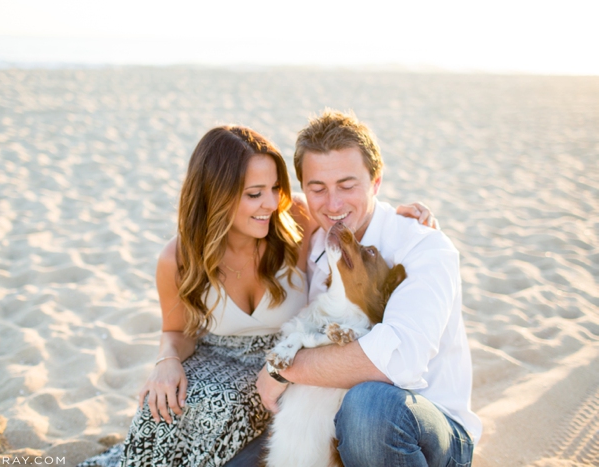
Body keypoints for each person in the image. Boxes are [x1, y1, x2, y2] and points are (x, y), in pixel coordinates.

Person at [78, 124, 437, 467]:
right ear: (216, 196)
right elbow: (176, 332)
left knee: (233, 406)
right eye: (254, 194)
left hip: (286, 361)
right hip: (218, 359)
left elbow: (341, 205)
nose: (269, 203)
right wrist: (166, 361)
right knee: (164, 408)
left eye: (275, 188)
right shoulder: (177, 258)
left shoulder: (293, 217)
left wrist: (395, 215)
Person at [255, 110, 483, 467]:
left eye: (347, 186)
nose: (333, 205)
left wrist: (283, 368)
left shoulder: (424, 247)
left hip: (424, 429)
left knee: (368, 407)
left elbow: (397, 361)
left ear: (376, 182)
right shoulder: (314, 236)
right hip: (330, 428)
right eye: (318, 188)